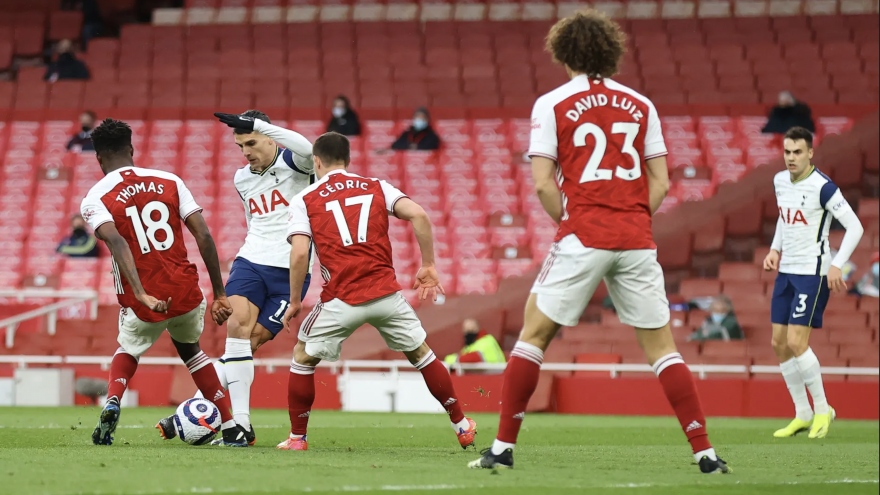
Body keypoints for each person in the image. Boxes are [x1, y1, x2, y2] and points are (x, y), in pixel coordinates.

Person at [468, 9, 729, 474]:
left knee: (533, 337)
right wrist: (628, 216)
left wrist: (573, 220)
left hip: (583, 232)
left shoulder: (551, 104)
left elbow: (545, 184)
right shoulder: (641, 104)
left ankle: (503, 449)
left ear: (562, 52)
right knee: (663, 349)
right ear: (611, 51)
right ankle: (706, 455)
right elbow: (662, 182)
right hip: (635, 237)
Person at [277, 132, 476, 451]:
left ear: (316, 161)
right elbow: (420, 215)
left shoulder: (305, 199)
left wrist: (296, 300)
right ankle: (462, 425)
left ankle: (297, 438)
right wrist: (428, 265)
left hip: (341, 298)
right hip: (386, 295)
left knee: (303, 357)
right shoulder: (376, 186)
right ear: (348, 160)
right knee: (422, 355)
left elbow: (300, 253)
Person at [153, 110, 315, 447]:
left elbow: (307, 147)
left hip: (292, 272)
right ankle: (240, 424)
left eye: (252, 142)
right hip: (251, 261)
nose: (246, 151)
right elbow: (252, 218)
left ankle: (190, 410)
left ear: (270, 136)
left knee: (251, 343)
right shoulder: (242, 178)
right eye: (241, 146)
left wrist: (260, 125)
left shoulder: (296, 164)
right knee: (237, 332)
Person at [79, 119, 242, 446]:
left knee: (128, 349)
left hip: (144, 301)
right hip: (185, 292)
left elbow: (118, 243)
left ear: (98, 158)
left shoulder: (94, 198)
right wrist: (220, 294)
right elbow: (204, 236)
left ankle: (112, 400)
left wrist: (142, 293)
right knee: (192, 351)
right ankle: (231, 425)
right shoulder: (169, 180)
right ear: (132, 149)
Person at [763, 126, 864, 439]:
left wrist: (837, 265)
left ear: (810, 153)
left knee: (796, 342)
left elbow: (855, 227)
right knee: (778, 343)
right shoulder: (780, 181)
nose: (791, 158)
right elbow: (784, 216)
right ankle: (802, 413)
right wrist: (774, 248)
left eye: (797, 152)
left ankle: (823, 410)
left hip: (813, 272)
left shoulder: (823, 187)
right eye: (787, 152)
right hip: (787, 271)